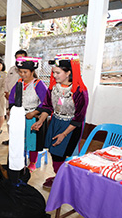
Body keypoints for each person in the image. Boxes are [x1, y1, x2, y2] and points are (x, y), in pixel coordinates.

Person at [31, 54, 89, 188]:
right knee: (54, 151)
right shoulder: (54, 88)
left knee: (63, 154)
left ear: (69, 72)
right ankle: (60, 176)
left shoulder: (80, 91)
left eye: (58, 72)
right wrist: (41, 121)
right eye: (53, 72)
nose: (54, 75)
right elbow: (47, 106)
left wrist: (64, 134)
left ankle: (65, 179)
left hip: (71, 126)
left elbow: (78, 118)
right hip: (56, 121)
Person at [8, 57, 48, 172]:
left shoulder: (38, 84)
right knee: (20, 139)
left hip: (33, 117)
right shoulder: (19, 83)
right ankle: (21, 159)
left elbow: (45, 102)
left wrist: (34, 112)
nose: (22, 74)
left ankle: (33, 161)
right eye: (20, 72)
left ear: (32, 72)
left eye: (25, 72)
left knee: (32, 141)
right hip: (20, 117)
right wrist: (14, 111)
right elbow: (12, 98)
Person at [2, 49, 27, 145]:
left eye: (21, 58)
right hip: (9, 98)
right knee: (9, 118)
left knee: (19, 120)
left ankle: (20, 140)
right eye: (17, 58)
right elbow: (6, 81)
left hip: (21, 100)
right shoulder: (12, 69)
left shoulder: (28, 71)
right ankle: (11, 138)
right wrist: (6, 92)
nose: (19, 60)